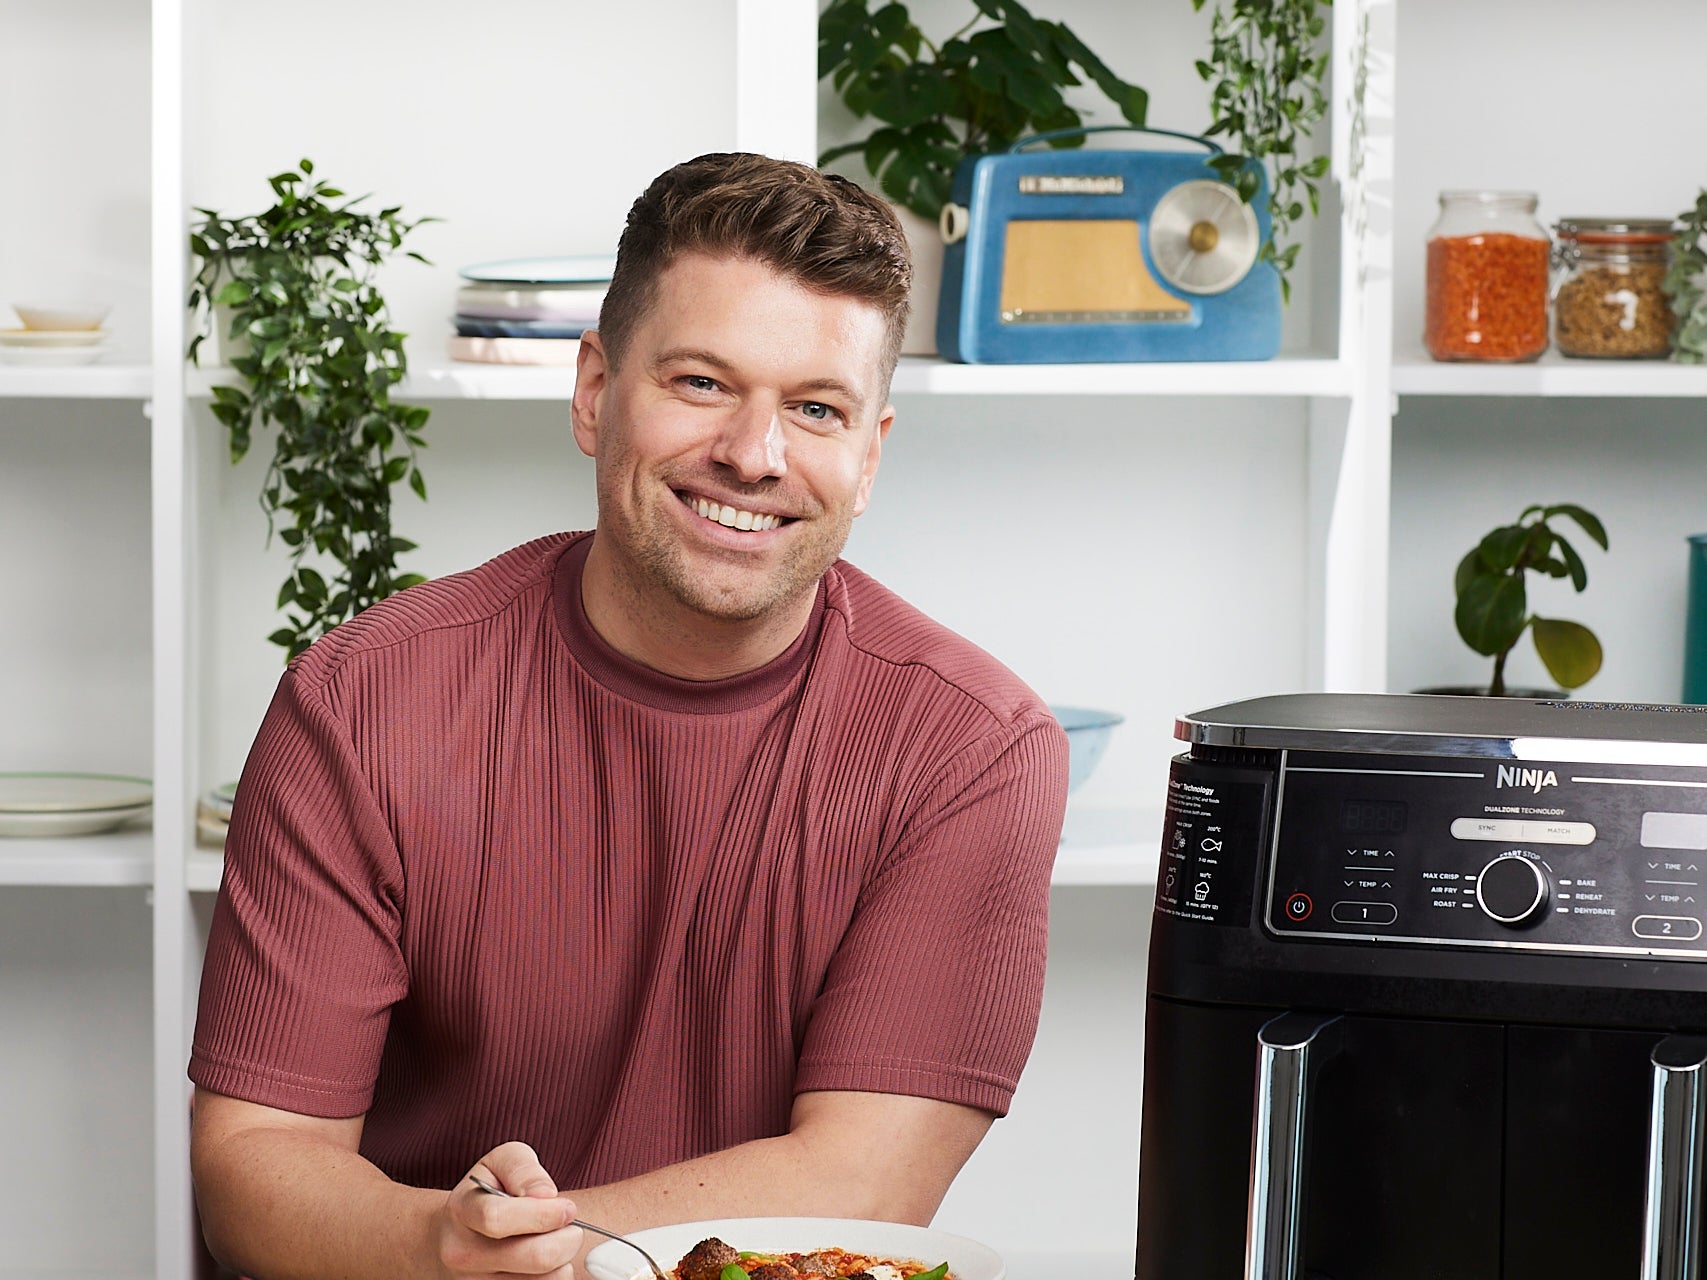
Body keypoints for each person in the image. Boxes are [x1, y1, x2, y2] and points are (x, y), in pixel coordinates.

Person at [189, 152, 1070, 1280]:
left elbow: (870, 1175)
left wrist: (539, 1248)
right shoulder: (362, 701)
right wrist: (440, 1245)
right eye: (702, 382)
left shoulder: (972, 749)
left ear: (869, 456)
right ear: (596, 390)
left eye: (815, 408)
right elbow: (255, 1160)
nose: (754, 455)